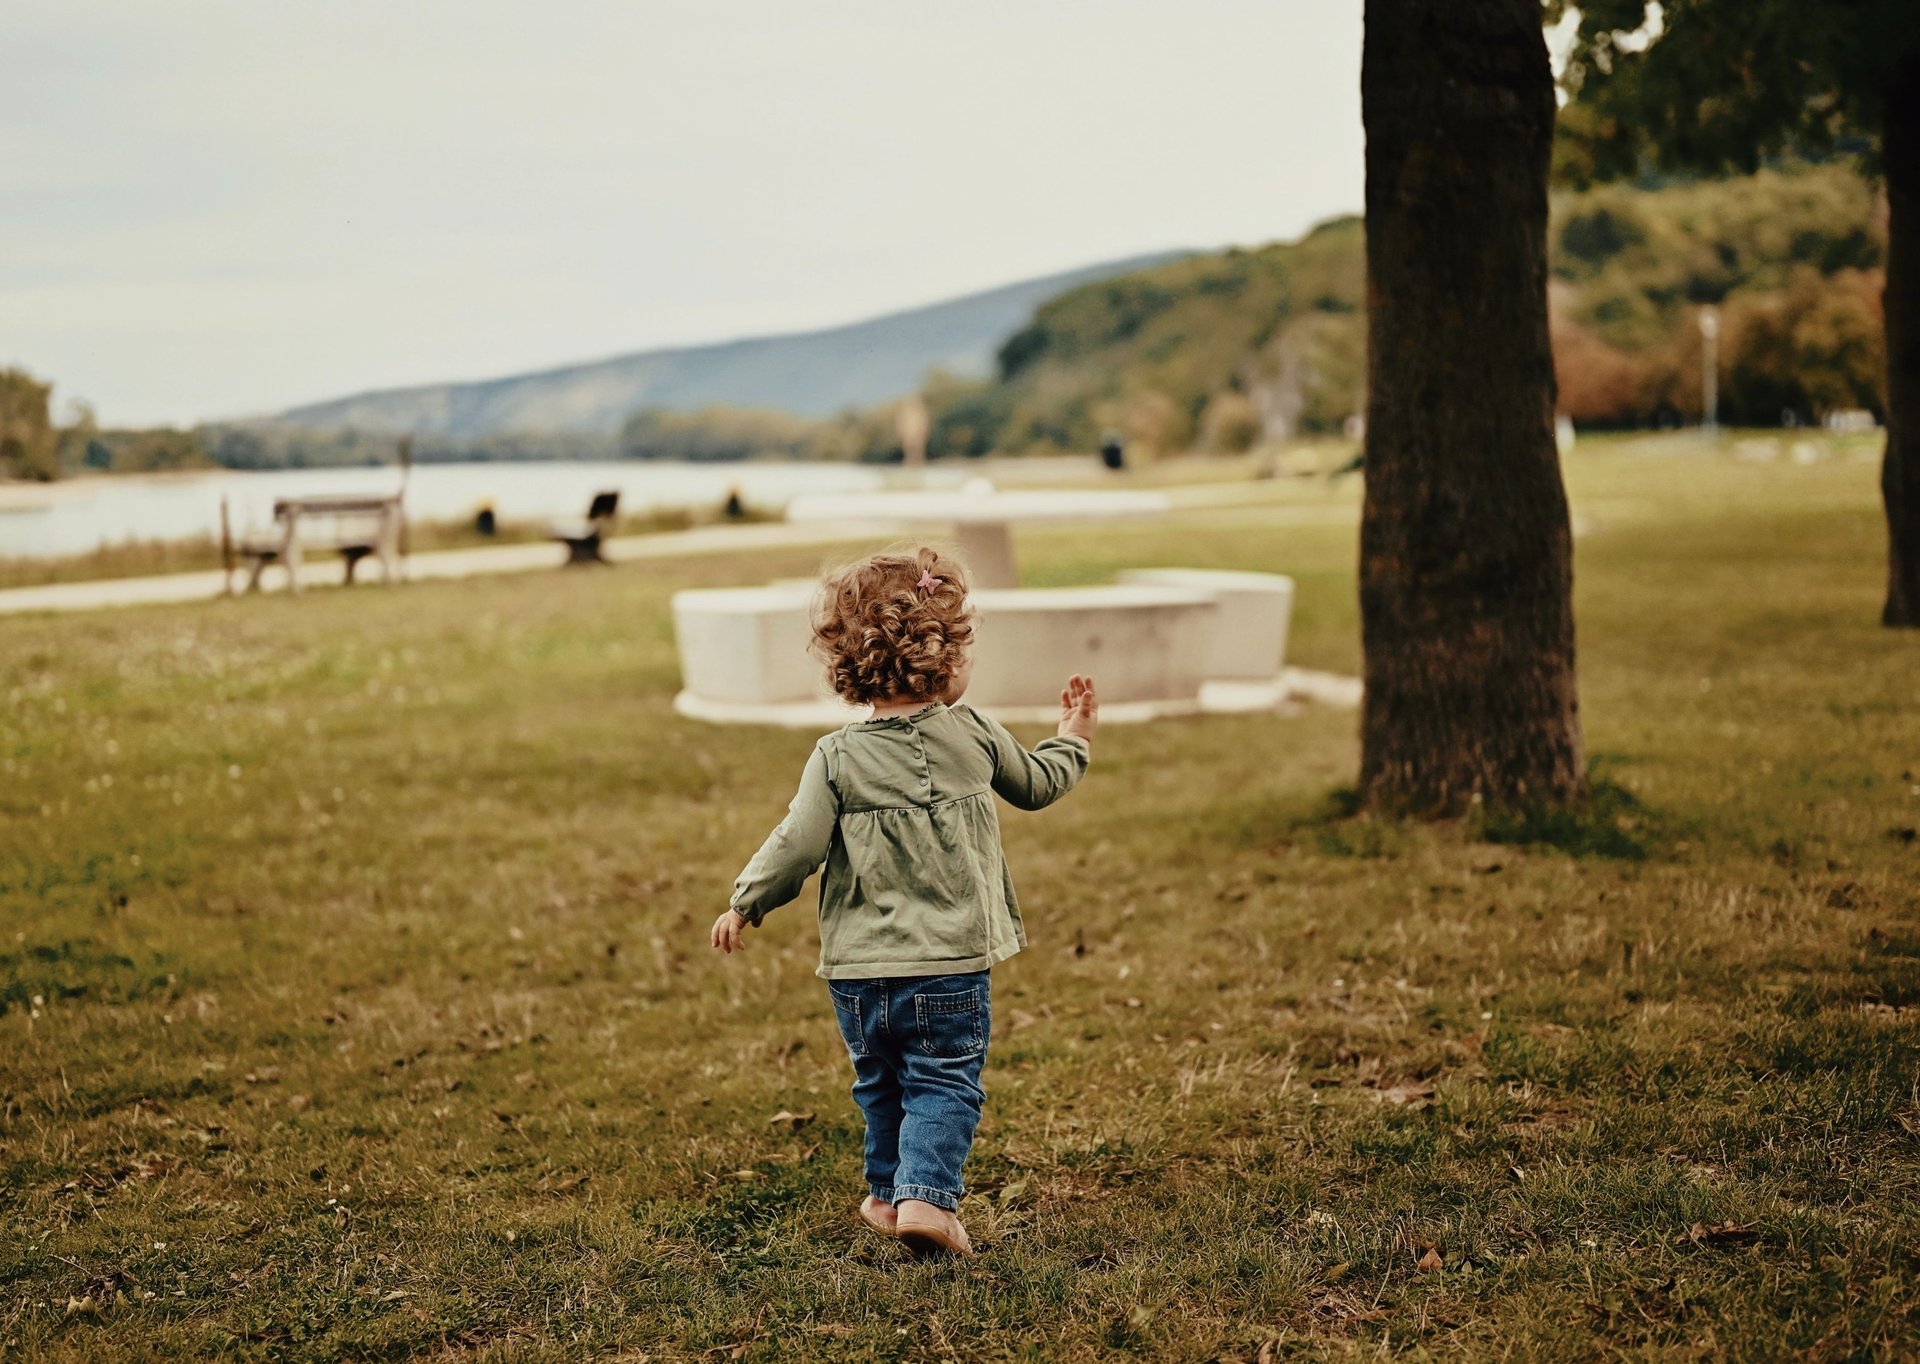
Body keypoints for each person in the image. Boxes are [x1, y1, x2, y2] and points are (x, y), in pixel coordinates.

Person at [709, 546, 1099, 1258]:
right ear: (944, 659)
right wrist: (1072, 739)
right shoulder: (972, 734)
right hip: (947, 963)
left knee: (881, 1081)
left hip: (859, 973)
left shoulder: (835, 757)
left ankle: (888, 1195)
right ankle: (927, 1199)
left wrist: (747, 902)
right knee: (945, 1081)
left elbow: (797, 845)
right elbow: (1038, 784)